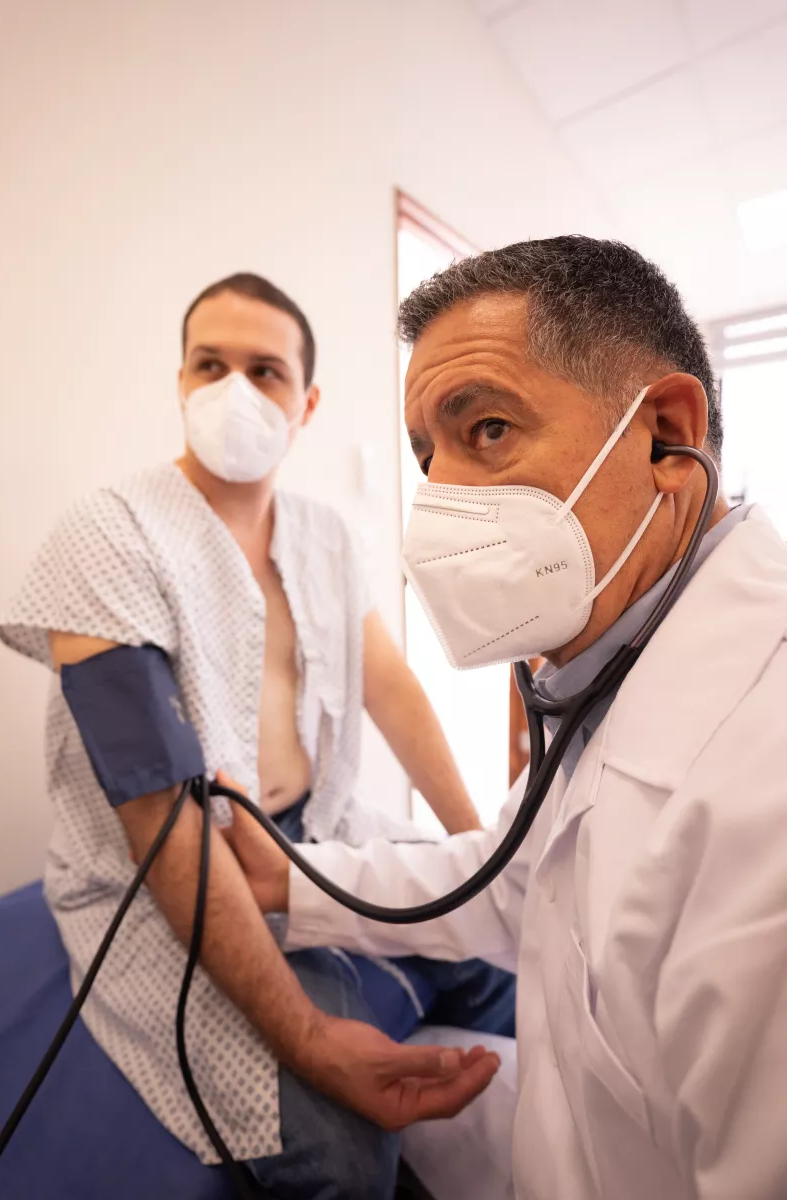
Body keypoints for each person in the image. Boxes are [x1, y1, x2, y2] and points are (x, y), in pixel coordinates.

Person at [223, 237, 787, 1200]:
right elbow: (512, 881)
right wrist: (294, 882)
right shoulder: (614, 660)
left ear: (664, 433)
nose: (438, 501)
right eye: (425, 456)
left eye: (485, 429)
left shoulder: (759, 788)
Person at [0, 272, 515, 1198]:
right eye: (211, 364)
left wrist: (486, 851)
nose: (235, 390)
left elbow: (392, 690)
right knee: (345, 1154)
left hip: (313, 831)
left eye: (265, 370)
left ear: (305, 402)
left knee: (503, 952)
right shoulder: (108, 538)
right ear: (182, 382)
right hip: (161, 873)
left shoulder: (323, 534)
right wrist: (311, 1039)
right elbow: (158, 808)